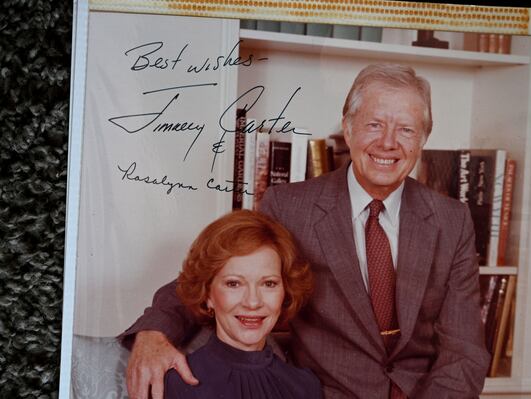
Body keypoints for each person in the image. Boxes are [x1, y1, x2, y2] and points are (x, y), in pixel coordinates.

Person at [122, 64, 491, 399]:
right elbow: (216, 273)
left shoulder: (451, 220)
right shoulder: (290, 207)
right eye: (374, 124)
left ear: (423, 139)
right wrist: (154, 332)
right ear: (347, 128)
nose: (388, 142)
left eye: (406, 129)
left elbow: (465, 351)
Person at [162, 209, 320, 398]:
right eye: (234, 283)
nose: (253, 302)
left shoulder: (305, 387)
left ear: (285, 292)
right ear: (208, 295)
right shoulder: (175, 384)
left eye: (269, 283)